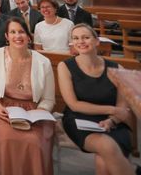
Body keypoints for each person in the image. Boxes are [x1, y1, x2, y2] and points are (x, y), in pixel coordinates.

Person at [0, 17, 56, 175]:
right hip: (0, 106)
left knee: (34, 141)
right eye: (13, 32)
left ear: (29, 36)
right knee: (5, 138)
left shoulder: (43, 62)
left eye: (21, 32)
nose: (17, 36)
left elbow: (48, 98)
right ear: (7, 36)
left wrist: (38, 113)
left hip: (34, 110)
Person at [58, 24, 136, 175]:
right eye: (76, 38)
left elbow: (122, 105)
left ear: (97, 41)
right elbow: (74, 105)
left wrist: (112, 120)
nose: (81, 41)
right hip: (79, 120)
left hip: (114, 122)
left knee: (103, 163)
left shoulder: (116, 68)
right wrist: (112, 110)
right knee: (107, 146)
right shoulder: (65, 66)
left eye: (86, 37)